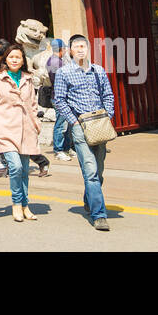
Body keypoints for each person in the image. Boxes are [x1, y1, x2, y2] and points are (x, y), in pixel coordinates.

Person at [0, 39, 41, 222]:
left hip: (26, 130)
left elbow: (33, 104)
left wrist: (36, 124)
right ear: (6, 59)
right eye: (11, 57)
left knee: (25, 170)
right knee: (16, 167)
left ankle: (26, 206)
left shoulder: (28, 79)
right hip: (5, 129)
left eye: (18, 57)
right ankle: (17, 204)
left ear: (22, 60)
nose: (14, 60)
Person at [53, 34, 115, 231]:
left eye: (83, 46)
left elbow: (108, 95)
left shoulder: (99, 71)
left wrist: (108, 115)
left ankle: (90, 198)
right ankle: (99, 215)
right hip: (80, 127)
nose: (81, 50)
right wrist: (74, 122)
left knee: (99, 171)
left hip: (100, 125)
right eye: (76, 47)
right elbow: (59, 100)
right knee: (91, 173)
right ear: (70, 50)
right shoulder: (64, 72)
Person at [46, 38, 71, 160]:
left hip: (57, 96)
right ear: (61, 49)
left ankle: (66, 148)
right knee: (61, 124)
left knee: (66, 123)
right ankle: (59, 150)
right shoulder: (57, 62)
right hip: (60, 97)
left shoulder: (52, 60)